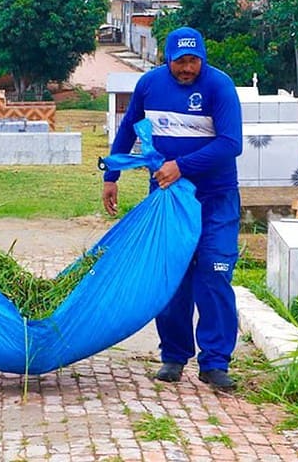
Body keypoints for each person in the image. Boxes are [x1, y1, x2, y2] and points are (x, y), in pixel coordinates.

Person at [102, 26, 243, 390]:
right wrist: (111, 175)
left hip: (214, 198)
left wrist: (182, 166)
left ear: (203, 58)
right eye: (180, 61)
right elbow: (129, 128)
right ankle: (174, 356)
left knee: (214, 273)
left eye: (193, 60)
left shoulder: (219, 87)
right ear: (167, 59)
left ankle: (215, 362)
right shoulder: (149, 85)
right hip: (166, 198)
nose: (187, 68)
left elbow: (231, 144)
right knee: (172, 275)